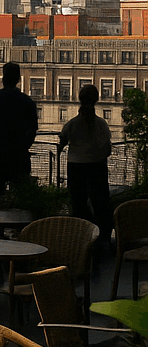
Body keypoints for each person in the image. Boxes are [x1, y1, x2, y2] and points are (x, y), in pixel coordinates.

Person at [59, 84, 113, 244]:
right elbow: (108, 150)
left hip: (76, 166)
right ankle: (103, 237)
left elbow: (62, 141)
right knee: (101, 203)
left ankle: (82, 237)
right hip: (98, 166)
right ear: (96, 100)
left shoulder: (72, 124)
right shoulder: (102, 124)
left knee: (78, 204)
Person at [0, 62, 38, 196]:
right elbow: (33, 129)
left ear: (3, 79)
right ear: (18, 79)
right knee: (20, 193)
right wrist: (24, 146)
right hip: (19, 153)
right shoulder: (26, 101)